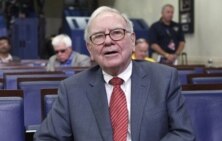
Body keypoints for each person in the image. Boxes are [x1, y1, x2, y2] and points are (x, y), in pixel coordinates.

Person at [35, 6, 195, 141]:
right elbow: (46, 138)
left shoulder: (164, 79)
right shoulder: (71, 89)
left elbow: (184, 134)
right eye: (98, 36)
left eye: (117, 33)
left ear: (132, 41)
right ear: (90, 50)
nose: (108, 41)